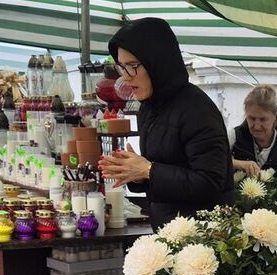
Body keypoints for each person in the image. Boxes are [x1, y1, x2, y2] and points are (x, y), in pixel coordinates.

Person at [98, 17, 232, 227]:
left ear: (157, 63)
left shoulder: (196, 109)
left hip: (202, 238)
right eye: (121, 67)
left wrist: (148, 170)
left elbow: (210, 182)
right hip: (168, 232)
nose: (126, 77)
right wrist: (135, 172)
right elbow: (166, 169)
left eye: (133, 66)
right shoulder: (149, 107)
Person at [231, 84, 277, 275]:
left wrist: (268, 222)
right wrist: (239, 164)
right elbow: (216, 161)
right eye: (251, 118)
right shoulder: (235, 136)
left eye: (263, 119)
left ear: (274, 117)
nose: (256, 125)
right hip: (242, 206)